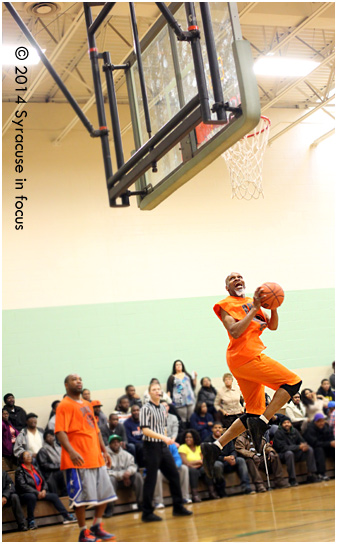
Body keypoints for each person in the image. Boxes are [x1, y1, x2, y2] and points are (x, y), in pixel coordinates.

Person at [201, 272, 302, 478]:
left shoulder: (252, 302)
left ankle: (216, 446)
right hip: (246, 357)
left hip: (243, 361)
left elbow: (272, 326)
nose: (237, 279)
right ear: (227, 287)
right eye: (232, 278)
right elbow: (235, 331)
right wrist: (255, 308)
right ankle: (264, 421)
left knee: (253, 412)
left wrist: (272, 307)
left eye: (240, 277)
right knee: (292, 381)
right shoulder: (225, 305)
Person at [55, 374, 117, 542]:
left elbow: (95, 430)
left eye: (80, 379)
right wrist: (71, 451)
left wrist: (105, 451)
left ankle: (96, 526)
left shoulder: (88, 405)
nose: (79, 381)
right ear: (66, 385)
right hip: (77, 459)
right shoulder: (64, 405)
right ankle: (83, 532)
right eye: (74, 379)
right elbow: (60, 431)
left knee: (105, 493)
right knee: (80, 499)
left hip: (95, 456)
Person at [139, 380, 192, 522]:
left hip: (163, 447)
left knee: (174, 474)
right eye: (154, 389)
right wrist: (163, 437)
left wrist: (168, 440)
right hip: (151, 447)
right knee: (151, 479)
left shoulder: (163, 409)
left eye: (158, 389)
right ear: (149, 393)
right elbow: (145, 430)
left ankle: (178, 507)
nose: (157, 391)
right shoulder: (145, 409)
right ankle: (147, 512)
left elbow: (164, 428)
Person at [15, 451, 75, 530]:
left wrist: (44, 490)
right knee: (32, 497)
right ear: (22, 459)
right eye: (26, 455)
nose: (29, 456)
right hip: (26, 494)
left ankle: (66, 516)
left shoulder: (35, 468)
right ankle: (31, 521)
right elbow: (23, 486)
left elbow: (44, 481)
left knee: (53, 496)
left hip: (40, 492)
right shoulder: (20, 470)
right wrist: (37, 493)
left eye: (30, 455)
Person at [206, 423, 254, 497]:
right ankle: (221, 491)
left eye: (219, 427)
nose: (218, 429)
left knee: (241, 460)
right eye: (215, 428)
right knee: (217, 465)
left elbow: (233, 450)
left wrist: (233, 457)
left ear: (222, 430)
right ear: (212, 429)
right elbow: (210, 456)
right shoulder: (208, 441)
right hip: (218, 462)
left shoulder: (227, 438)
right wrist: (224, 458)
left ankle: (246, 487)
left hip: (229, 462)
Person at [104, 434, 143, 518]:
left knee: (137, 476)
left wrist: (128, 472)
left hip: (126, 479)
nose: (116, 444)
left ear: (120, 443)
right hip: (114, 481)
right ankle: (109, 508)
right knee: (110, 479)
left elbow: (133, 466)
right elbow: (105, 471)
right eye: (113, 442)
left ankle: (142, 504)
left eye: (118, 442)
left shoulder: (126, 454)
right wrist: (123, 475)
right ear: (109, 444)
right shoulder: (104, 455)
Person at [272, 417, 317, 486]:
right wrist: (298, 447)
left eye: (288, 422)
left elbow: (302, 441)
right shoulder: (278, 433)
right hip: (283, 455)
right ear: (281, 425)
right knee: (289, 453)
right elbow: (283, 448)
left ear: (291, 424)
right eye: (284, 423)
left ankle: (311, 474)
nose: (287, 424)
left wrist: (304, 446)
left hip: (295, 452)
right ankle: (292, 479)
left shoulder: (294, 431)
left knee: (309, 449)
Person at [178, 429, 217, 502]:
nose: (188, 439)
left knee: (206, 469)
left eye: (190, 437)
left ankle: (212, 492)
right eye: (186, 437)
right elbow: (186, 463)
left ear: (195, 438)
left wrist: (195, 463)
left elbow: (203, 461)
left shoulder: (199, 447)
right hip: (189, 468)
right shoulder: (182, 447)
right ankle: (195, 495)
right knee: (193, 472)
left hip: (199, 467)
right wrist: (197, 462)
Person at [154, 443, 191, 508]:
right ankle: (158, 502)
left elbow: (178, 459)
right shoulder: (153, 447)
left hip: (171, 470)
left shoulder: (172, 446)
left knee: (184, 468)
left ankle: (184, 497)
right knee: (157, 472)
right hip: (159, 472)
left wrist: (175, 466)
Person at [303, 413, 335, 481]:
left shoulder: (326, 426)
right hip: (314, 447)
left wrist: (333, 442)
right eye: (319, 421)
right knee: (319, 450)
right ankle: (321, 473)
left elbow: (330, 437)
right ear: (315, 422)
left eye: (322, 421)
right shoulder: (310, 429)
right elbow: (315, 443)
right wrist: (329, 443)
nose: (321, 423)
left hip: (325, 445)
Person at [36, 430, 67, 496]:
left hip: (60, 470)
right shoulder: (43, 450)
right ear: (45, 439)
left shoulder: (58, 447)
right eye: (48, 436)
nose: (50, 438)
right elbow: (44, 465)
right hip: (50, 473)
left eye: (52, 436)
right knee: (62, 473)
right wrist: (59, 466)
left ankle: (66, 496)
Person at [167, 360, 197, 424]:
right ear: (174, 367)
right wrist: (169, 401)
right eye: (177, 365)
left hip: (190, 400)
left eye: (180, 364)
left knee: (191, 418)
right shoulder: (172, 377)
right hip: (179, 401)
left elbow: (193, 386)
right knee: (182, 419)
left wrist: (195, 377)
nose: (178, 366)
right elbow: (169, 390)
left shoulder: (187, 375)